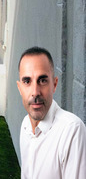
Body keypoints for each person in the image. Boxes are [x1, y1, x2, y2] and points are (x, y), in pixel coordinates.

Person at [17, 46, 86, 178]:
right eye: (27, 81)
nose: (35, 92)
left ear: (54, 85)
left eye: (42, 81)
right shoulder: (25, 125)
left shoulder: (72, 130)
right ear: (20, 88)